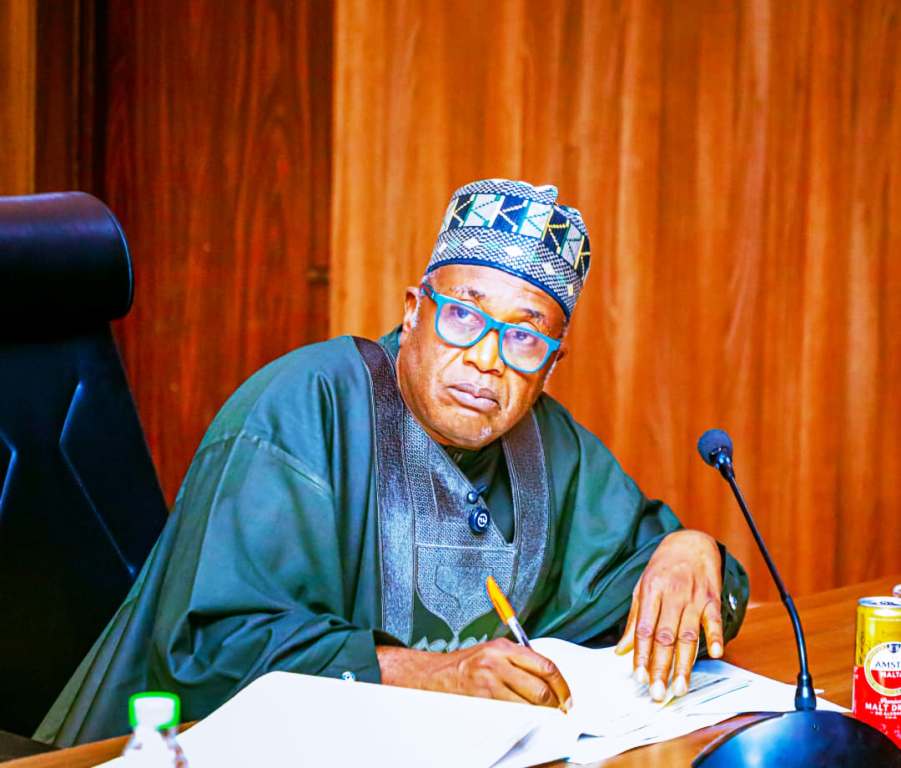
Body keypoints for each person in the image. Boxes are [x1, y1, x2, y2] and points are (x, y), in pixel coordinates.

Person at [37, 179, 748, 745]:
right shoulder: (305, 406)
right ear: (413, 311)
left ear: (552, 367)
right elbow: (213, 653)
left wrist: (690, 551)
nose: (486, 358)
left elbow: (644, 589)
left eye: (525, 338)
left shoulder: (547, 443)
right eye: (462, 315)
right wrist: (438, 675)